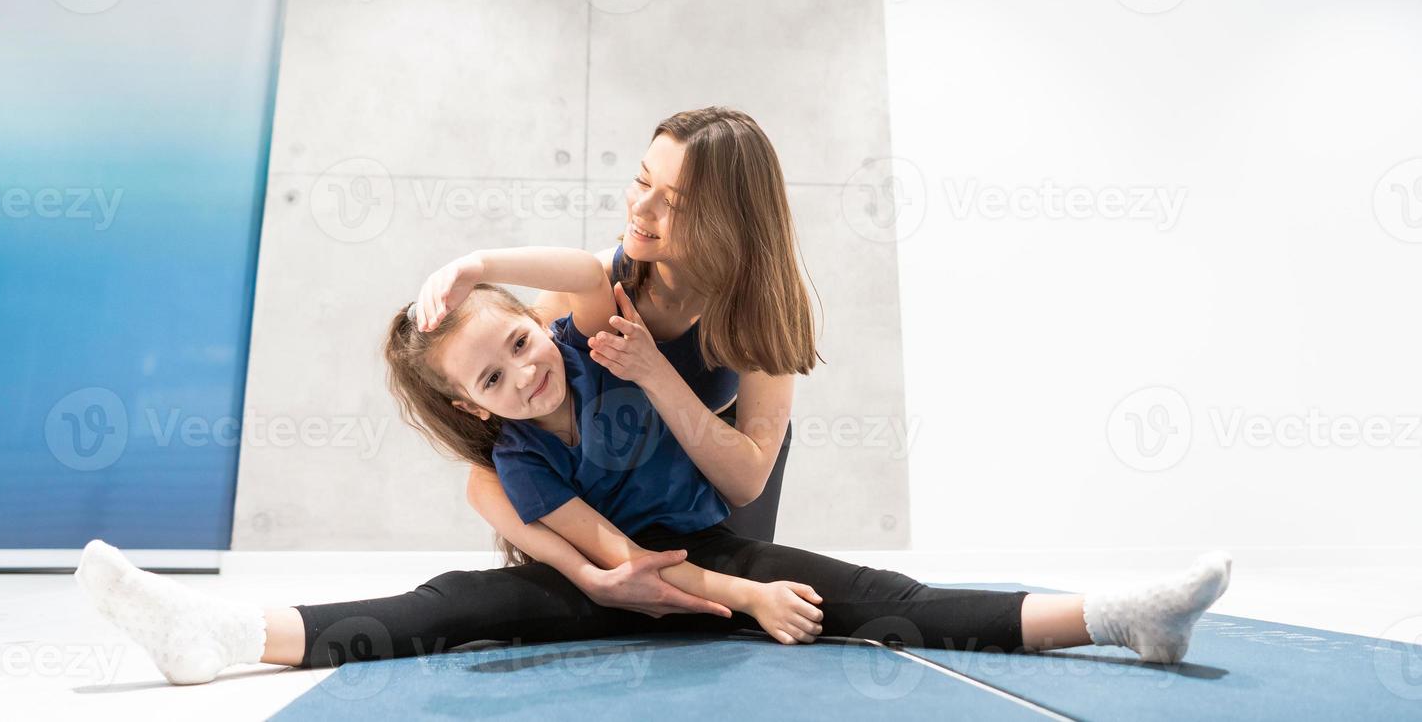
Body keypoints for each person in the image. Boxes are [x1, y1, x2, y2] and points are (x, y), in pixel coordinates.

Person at [75, 248, 1231, 685]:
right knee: (444, 607)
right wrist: (736, 597)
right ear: (473, 406)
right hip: (639, 569)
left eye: (517, 341)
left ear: (538, 321)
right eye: (490, 379)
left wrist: (476, 257)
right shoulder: (524, 464)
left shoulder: (596, 338)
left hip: (714, 545)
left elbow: (585, 264)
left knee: (887, 600)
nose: (522, 374)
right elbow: (624, 561)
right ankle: (222, 634)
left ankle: (1117, 612)